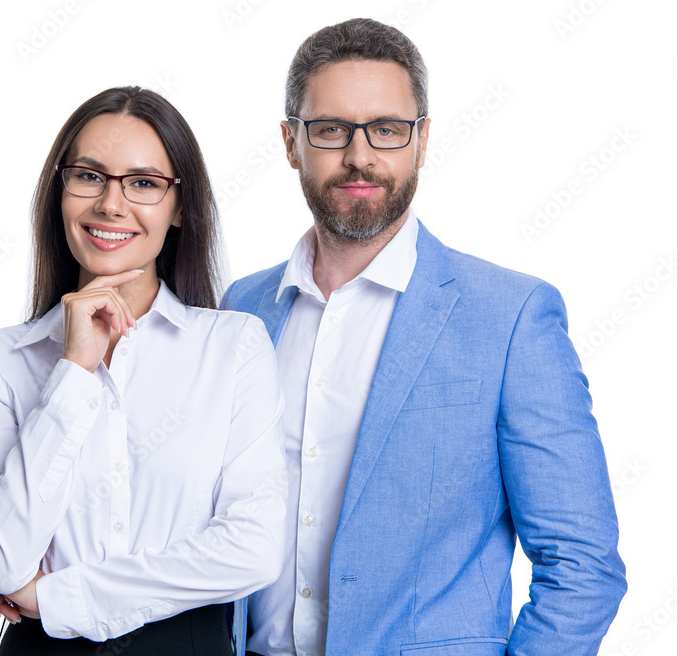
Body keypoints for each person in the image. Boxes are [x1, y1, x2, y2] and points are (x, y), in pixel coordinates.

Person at [221, 18, 627, 656]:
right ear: (291, 142)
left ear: (423, 140)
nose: (360, 156)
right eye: (330, 130)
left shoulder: (512, 317)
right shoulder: (242, 309)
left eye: (387, 130)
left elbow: (582, 566)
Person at [0, 86, 287, 656]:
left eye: (143, 183)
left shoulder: (232, 346)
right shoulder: (1, 361)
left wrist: (58, 598)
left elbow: (253, 547)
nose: (111, 204)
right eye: (89, 176)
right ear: (60, 192)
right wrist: (74, 371)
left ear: (180, 206)